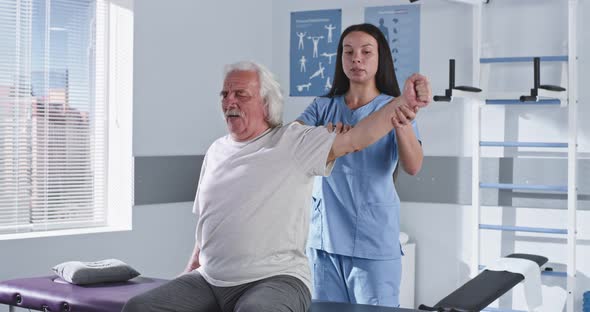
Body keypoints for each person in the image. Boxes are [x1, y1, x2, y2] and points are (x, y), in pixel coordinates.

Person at [122, 60, 430, 312]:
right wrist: (190, 268)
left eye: (241, 94)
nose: (229, 101)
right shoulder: (216, 150)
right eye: (225, 94)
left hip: (275, 279)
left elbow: (357, 137)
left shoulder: (292, 142)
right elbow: (208, 220)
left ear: (267, 103)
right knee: (139, 307)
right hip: (210, 278)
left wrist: (403, 103)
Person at [296, 23, 424, 307]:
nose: (356, 59)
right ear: (340, 59)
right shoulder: (322, 107)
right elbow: (292, 143)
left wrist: (402, 124)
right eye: (349, 52)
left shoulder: (394, 106)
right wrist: (322, 135)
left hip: (372, 243)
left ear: (381, 60)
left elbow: (413, 166)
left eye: (366, 52)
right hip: (323, 242)